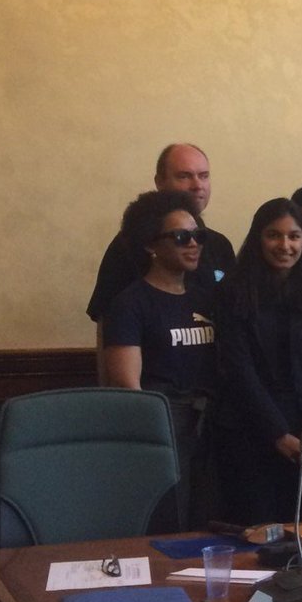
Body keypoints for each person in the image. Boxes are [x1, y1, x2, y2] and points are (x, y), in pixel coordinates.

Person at [212, 198, 302, 525]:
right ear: (258, 238)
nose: (285, 245)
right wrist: (278, 434)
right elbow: (239, 369)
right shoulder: (232, 290)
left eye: (294, 236)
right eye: (274, 236)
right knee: (254, 533)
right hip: (248, 430)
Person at [101, 190, 216, 526]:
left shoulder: (208, 299)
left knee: (210, 519)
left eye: (198, 236)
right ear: (151, 244)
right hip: (164, 424)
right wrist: (154, 443)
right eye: (181, 237)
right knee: (171, 521)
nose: (193, 244)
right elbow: (126, 383)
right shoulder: (131, 304)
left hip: (210, 425)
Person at [88, 144, 235, 378]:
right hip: (153, 393)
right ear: (159, 182)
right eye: (184, 176)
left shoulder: (219, 245)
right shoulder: (129, 245)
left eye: (204, 176)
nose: (197, 185)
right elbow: (108, 326)